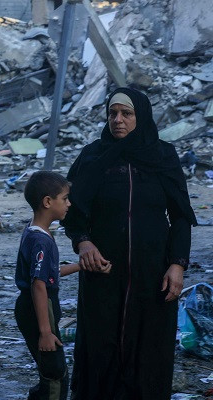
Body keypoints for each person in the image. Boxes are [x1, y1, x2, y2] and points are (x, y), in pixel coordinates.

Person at [61, 87, 197, 399]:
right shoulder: (93, 156)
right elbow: (71, 210)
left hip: (153, 270)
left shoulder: (163, 156)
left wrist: (177, 265)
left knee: (149, 344)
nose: (118, 120)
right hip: (103, 270)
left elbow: (180, 216)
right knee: (99, 343)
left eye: (127, 113)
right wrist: (83, 243)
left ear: (141, 116)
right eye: (112, 113)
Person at [14, 171, 110, 400]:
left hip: (33, 306)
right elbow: (38, 285)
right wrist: (46, 332)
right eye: (65, 198)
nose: (69, 203)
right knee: (55, 375)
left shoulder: (34, 231)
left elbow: (49, 274)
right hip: (38, 307)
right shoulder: (41, 241)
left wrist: (82, 266)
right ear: (48, 202)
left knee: (51, 370)